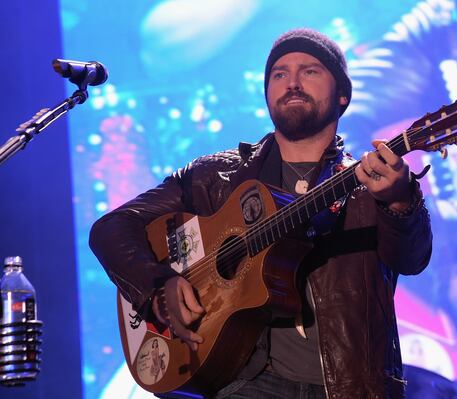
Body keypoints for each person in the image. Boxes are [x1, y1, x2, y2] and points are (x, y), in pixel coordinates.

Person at [89, 28, 433, 398]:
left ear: (343, 96)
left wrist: (400, 201)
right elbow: (112, 227)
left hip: (349, 386)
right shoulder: (215, 177)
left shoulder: (371, 184)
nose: (293, 83)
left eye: (310, 71)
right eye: (279, 74)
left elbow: (411, 259)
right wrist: (157, 287)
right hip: (244, 381)